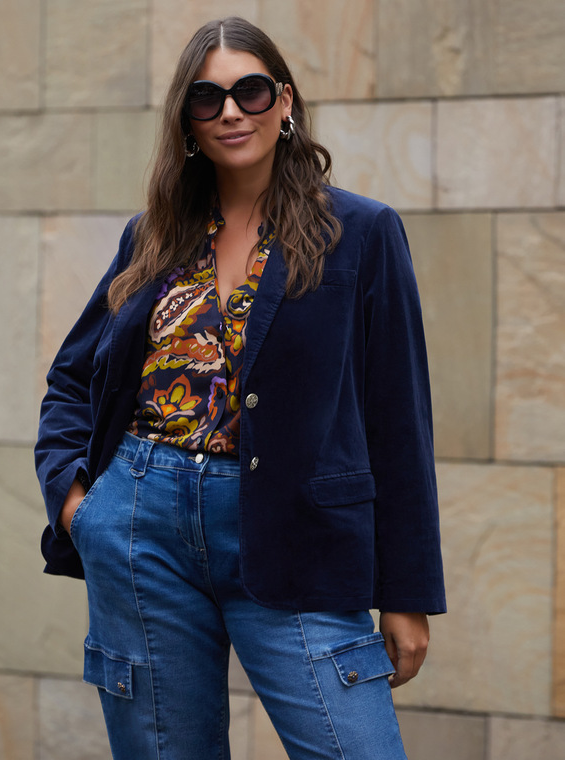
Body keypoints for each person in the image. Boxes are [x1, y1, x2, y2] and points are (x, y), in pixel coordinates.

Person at [35, 16, 445, 760]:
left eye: (250, 91)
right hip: (140, 530)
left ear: (283, 101)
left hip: (299, 538)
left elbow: (399, 417)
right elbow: (72, 378)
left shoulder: (360, 232)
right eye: (208, 98)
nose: (231, 111)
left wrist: (408, 592)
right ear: (187, 121)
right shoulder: (153, 235)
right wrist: (79, 506)